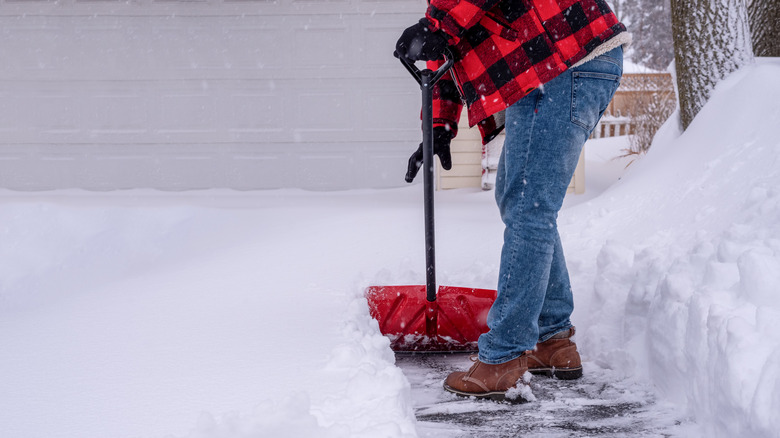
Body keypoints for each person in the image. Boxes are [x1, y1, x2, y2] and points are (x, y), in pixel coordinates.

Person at [396, 0, 631, 401]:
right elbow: (450, 51)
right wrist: (439, 124)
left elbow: (449, 28)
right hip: (547, 62)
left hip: (565, 56)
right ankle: (552, 340)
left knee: (529, 205)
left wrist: (436, 23)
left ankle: (504, 356)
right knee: (519, 199)